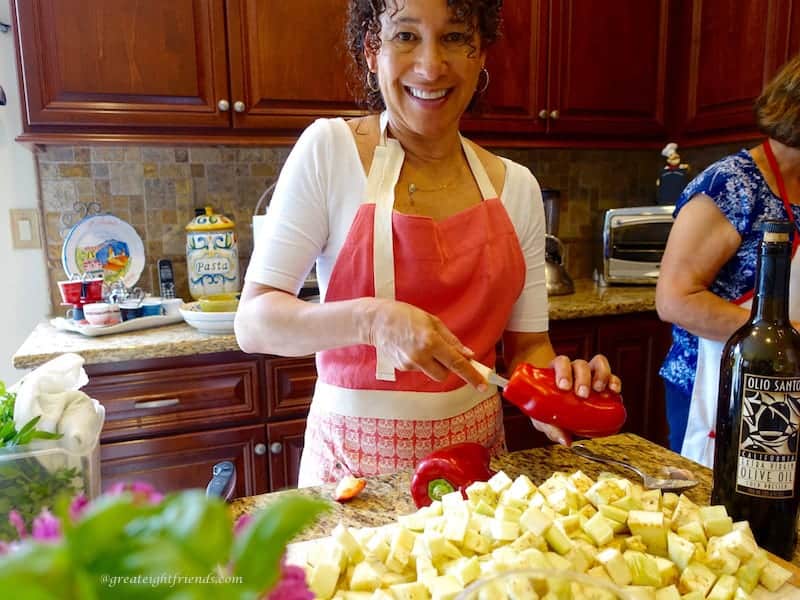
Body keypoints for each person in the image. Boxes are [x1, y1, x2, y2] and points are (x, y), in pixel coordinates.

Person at [235, 0, 621, 487]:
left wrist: (563, 395)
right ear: (372, 50)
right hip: (353, 476)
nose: (431, 65)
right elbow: (254, 323)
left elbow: (528, 349)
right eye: (406, 36)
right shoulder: (328, 151)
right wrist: (373, 320)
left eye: (456, 37)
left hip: (478, 471)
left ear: (481, 54)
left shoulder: (516, 187)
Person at [656, 52, 800, 465]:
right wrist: (789, 337)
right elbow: (675, 299)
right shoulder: (733, 184)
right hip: (717, 389)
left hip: (787, 385)